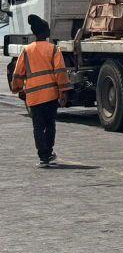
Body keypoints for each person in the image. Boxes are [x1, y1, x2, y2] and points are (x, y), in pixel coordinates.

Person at [8, 14, 70, 167]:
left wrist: (18, 89)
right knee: (50, 125)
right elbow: (60, 72)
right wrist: (63, 91)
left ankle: (43, 157)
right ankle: (48, 152)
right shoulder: (53, 49)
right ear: (46, 32)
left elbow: (18, 72)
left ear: (35, 33)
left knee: (38, 127)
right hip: (50, 96)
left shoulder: (26, 50)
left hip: (33, 96)